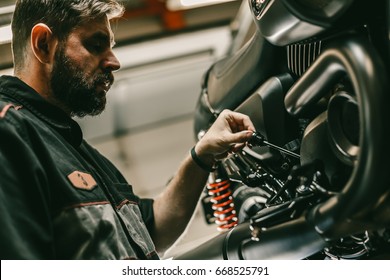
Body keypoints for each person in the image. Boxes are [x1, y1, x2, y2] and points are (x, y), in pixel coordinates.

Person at [0, 0, 255, 260]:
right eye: (96, 45)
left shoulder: (78, 150)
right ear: (43, 44)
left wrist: (202, 155)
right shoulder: (9, 132)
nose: (114, 62)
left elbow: (152, 230)